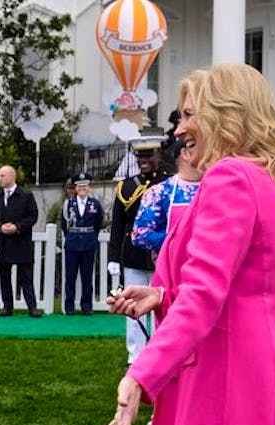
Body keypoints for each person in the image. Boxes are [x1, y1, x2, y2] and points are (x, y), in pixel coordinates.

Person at [98, 64, 275, 425]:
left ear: (226, 115)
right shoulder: (267, 182)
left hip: (222, 373)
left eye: (191, 115)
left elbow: (207, 294)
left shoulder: (231, 177)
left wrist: (140, 375)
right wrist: (163, 296)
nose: (179, 129)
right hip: (255, 366)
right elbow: (242, 286)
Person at [107, 137, 170, 365]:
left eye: (148, 156)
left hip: (161, 256)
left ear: (158, 156)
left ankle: (161, 354)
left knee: (161, 306)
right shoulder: (127, 186)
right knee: (133, 307)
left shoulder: (169, 183)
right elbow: (118, 224)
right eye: (140, 157)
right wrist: (114, 256)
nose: (144, 161)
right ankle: (135, 356)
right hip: (133, 255)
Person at [131, 139, 202, 252]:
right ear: (185, 154)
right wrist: (176, 241)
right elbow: (139, 234)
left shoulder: (217, 189)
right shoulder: (160, 191)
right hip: (173, 265)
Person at [0, 165, 40, 317]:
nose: (0, 179)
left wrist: (17, 227)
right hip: (3, 244)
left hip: (21, 243)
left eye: (3, 176)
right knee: (4, 277)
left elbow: (33, 215)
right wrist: (0, 227)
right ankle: (7, 307)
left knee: (26, 277)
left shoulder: (26, 195)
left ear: (12, 177)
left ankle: (32, 307)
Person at [60, 172, 103, 315]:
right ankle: (69, 306)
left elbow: (98, 223)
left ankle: (87, 306)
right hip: (72, 243)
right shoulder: (69, 204)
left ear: (89, 187)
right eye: (79, 186)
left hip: (88, 243)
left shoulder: (95, 204)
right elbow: (64, 225)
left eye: (85, 186)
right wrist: (71, 236)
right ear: (76, 188)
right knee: (70, 276)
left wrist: (90, 237)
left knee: (87, 276)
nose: (82, 188)